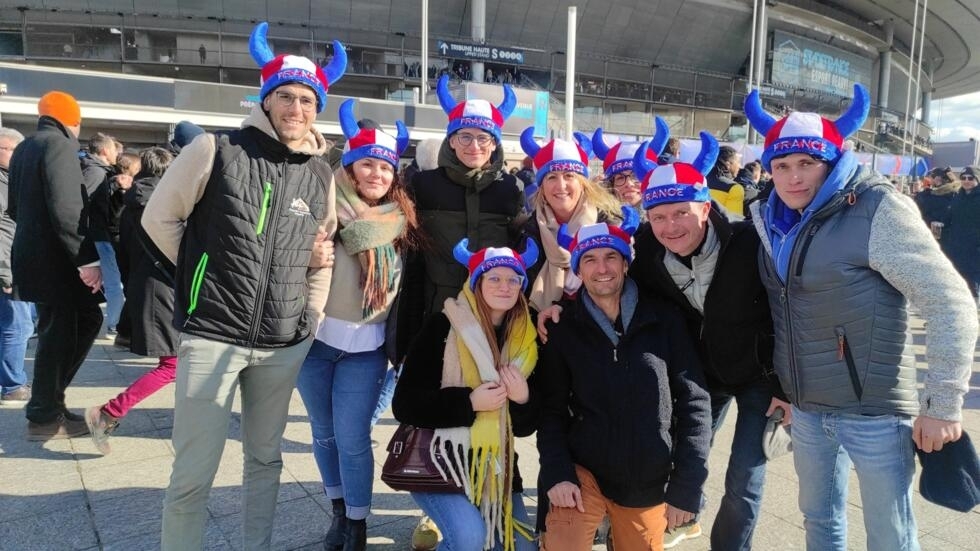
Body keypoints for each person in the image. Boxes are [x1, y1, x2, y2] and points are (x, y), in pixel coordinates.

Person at [745, 84, 978, 551]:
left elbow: (949, 300)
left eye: (807, 163)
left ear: (831, 161)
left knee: (890, 534)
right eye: (782, 165)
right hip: (808, 411)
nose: (793, 177)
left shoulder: (876, 207)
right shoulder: (767, 216)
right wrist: (781, 389)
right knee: (819, 521)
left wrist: (943, 405)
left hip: (876, 412)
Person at [141, 22, 347, 550]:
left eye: (307, 100)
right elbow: (159, 221)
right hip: (213, 334)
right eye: (286, 97)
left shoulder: (320, 174)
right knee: (194, 471)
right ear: (266, 98)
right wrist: (201, 277)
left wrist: (311, 317)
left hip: (282, 341)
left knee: (265, 460)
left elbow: (321, 255)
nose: (296, 110)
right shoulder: (216, 148)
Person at [630, 132, 790, 550]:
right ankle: (685, 518)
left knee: (744, 478)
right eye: (658, 216)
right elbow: (623, 293)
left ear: (705, 207)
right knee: (686, 456)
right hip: (702, 375)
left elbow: (787, 314)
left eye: (681, 212)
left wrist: (787, 388)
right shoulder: (646, 250)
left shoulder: (748, 242)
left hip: (759, 376)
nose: (670, 226)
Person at [401, 73, 525, 551]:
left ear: (496, 145)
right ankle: (439, 506)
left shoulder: (508, 191)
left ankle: (482, 494)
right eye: (466, 135)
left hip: (491, 320)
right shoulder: (423, 184)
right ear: (451, 138)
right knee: (436, 411)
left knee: (489, 408)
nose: (475, 145)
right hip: (437, 317)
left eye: (485, 138)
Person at [536, 218, 711, 551]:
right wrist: (557, 471)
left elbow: (695, 403)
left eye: (610, 257)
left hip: (646, 475)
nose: (601, 268)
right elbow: (551, 410)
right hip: (583, 470)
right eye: (589, 259)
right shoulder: (564, 328)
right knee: (564, 543)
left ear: (626, 263)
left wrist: (687, 485)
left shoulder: (664, 319)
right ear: (579, 270)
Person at [297, 99, 420, 551]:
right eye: (367, 164)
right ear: (349, 167)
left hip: (366, 349)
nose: (376, 175)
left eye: (385, 169)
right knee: (322, 432)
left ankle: (358, 521)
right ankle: (337, 511)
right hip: (315, 343)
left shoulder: (400, 223)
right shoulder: (323, 210)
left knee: (352, 437)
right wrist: (309, 254)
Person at [392, 238, 541, 551]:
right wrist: (468, 402)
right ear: (477, 283)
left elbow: (524, 428)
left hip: (496, 473)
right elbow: (403, 404)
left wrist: (524, 398)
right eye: (495, 278)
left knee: (523, 547)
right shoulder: (442, 327)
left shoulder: (526, 342)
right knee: (470, 540)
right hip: (440, 463)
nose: (505, 286)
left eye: (513, 279)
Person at [8, 91, 103, 440]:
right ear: (71, 121)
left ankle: (48, 406)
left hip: (33, 256)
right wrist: (87, 260)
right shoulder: (60, 146)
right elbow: (68, 210)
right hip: (59, 261)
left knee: (58, 330)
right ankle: (45, 413)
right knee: (70, 328)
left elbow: (15, 208)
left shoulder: (24, 148)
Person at [85, 147, 176, 454]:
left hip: (144, 287)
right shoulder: (166, 204)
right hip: (165, 291)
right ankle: (109, 412)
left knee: (188, 361)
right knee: (174, 364)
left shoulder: (131, 202)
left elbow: (122, 252)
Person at [519, 128, 625, 315]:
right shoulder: (528, 231)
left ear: (583, 182)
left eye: (569, 176)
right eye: (551, 177)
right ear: (541, 187)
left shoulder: (610, 224)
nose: (561, 186)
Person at [82, 132, 130, 335]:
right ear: (104, 150)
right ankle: (115, 323)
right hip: (99, 236)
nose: (117, 154)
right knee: (113, 282)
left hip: (99, 235)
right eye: (113, 149)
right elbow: (85, 203)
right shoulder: (95, 172)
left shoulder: (98, 170)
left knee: (108, 281)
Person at [0, 127, 33, 405]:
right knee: (17, 326)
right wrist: (6, 272)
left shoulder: (10, 180)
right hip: (6, 267)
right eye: (12, 150)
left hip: (12, 263)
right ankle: (14, 385)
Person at [590, 119, 669, 215]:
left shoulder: (668, 220)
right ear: (611, 185)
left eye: (636, 176)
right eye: (620, 178)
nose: (629, 183)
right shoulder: (595, 218)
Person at [939, 166, 980, 299]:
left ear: (977, 180)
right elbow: (949, 218)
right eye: (963, 178)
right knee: (956, 280)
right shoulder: (958, 196)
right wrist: (942, 226)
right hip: (956, 246)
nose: (966, 181)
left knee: (972, 281)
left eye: (970, 178)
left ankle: (973, 311)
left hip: (974, 249)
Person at [707, 145, 745, 216]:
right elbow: (734, 221)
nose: (740, 166)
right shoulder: (734, 188)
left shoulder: (700, 181)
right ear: (728, 164)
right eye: (738, 162)